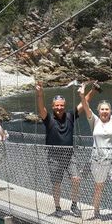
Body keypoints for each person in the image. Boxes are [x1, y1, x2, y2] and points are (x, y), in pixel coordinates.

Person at [36, 81, 95, 215]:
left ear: (65, 106)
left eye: (62, 105)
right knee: (57, 183)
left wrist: (93, 91)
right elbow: (41, 109)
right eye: (57, 105)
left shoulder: (70, 116)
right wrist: (40, 94)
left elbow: (83, 103)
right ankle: (57, 208)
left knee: (76, 178)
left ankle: (74, 205)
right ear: (53, 106)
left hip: (69, 154)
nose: (59, 108)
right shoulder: (48, 118)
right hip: (54, 155)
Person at [79, 81, 112, 223]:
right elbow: (85, 107)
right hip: (98, 160)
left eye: (106, 109)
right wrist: (82, 95)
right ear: (98, 111)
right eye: (102, 109)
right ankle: (96, 211)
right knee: (99, 187)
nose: (104, 111)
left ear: (110, 111)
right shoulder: (94, 121)